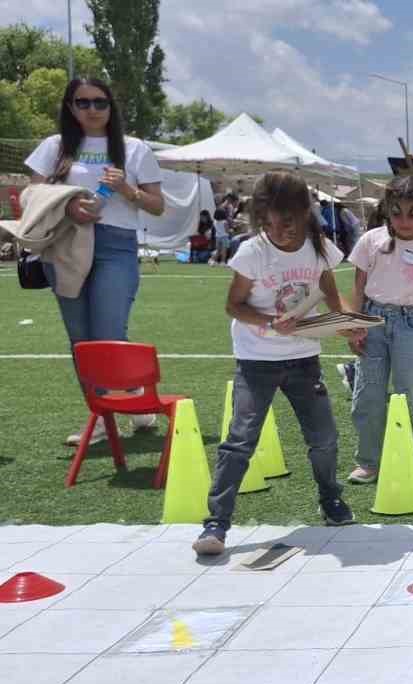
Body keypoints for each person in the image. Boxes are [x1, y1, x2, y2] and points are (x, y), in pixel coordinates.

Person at [192, 171, 364, 555]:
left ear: (304, 212)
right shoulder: (253, 252)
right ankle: (216, 524)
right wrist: (271, 322)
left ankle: (331, 499)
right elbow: (232, 306)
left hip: (304, 358)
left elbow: (331, 295)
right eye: (268, 223)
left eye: (286, 221)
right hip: (257, 359)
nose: (279, 230)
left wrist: (349, 326)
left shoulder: (320, 247)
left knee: (324, 438)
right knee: (240, 441)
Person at [25, 78, 165, 446]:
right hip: (65, 244)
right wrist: (68, 205)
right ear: (70, 107)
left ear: (111, 105)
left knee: (107, 331)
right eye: (82, 102)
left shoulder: (134, 149)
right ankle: (105, 413)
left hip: (116, 245)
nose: (91, 109)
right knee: (80, 339)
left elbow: (157, 204)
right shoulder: (53, 147)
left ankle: (123, 404)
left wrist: (125, 190)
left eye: (99, 102)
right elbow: (31, 195)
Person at [343, 176, 413, 485]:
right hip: (373, 322)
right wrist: (355, 325)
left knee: (410, 395)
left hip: (410, 324)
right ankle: (369, 462)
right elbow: (359, 285)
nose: (404, 220)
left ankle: (410, 460)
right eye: (397, 212)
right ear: (387, 210)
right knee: (368, 394)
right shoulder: (370, 240)